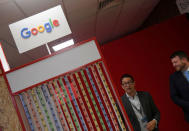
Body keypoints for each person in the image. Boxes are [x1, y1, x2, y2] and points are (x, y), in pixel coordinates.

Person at [169, 51, 189, 122]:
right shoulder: (173, 78)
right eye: (172, 63)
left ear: (184, 59)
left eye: (175, 62)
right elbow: (174, 97)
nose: (173, 65)